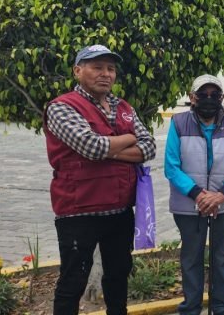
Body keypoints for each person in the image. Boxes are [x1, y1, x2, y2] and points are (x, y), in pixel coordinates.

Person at [44, 44, 156, 315]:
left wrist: (109, 147)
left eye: (111, 68)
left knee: (118, 276)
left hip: (119, 211)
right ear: (78, 70)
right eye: (97, 67)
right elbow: (91, 147)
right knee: (73, 281)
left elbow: (149, 147)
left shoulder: (123, 107)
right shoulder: (61, 107)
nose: (105, 74)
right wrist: (129, 139)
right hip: (78, 210)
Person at [165, 74, 224, 315]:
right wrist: (199, 195)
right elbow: (171, 166)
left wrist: (221, 195)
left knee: (223, 258)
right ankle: (191, 309)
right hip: (189, 205)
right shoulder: (179, 122)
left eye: (215, 95)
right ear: (192, 98)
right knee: (191, 258)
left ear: (222, 98)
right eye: (203, 94)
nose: (209, 99)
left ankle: (222, 308)